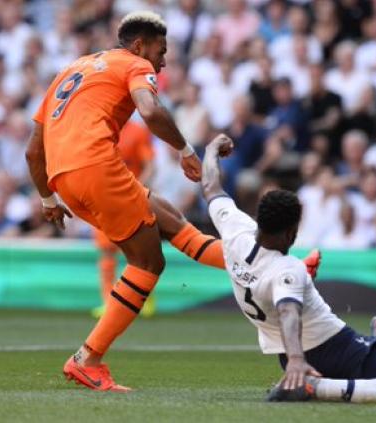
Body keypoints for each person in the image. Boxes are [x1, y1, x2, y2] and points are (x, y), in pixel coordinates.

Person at [25, 11, 229, 392]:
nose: (163, 61)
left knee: (171, 220)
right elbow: (150, 111)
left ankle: (269, 267)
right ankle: (87, 358)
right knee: (148, 262)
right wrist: (186, 150)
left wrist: (48, 198)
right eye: (161, 51)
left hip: (63, 177)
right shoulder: (134, 64)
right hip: (96, 166)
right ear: (139, 45)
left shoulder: (73, 69)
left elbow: (33, 151)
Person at [200, 134, 376, 406]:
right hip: (333, 346)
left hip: (287, 353)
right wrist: (299, 361)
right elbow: (288, 312)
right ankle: (317, 386)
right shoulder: (288, 268)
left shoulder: (234, 230)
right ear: (291, 233)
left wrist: (211, 149)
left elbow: (211, 185)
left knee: (372, 374)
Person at [92, 118, 156, 319]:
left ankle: (144, 299)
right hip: (104, 200)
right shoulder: (97, 131)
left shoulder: (137, 132)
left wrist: (136, 190)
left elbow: (150, 166)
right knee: (107, 251)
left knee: (138, 251)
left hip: (131, 199)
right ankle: (109, 302)